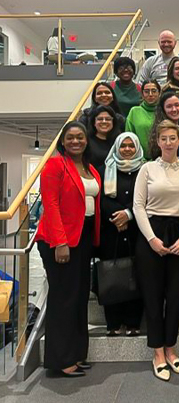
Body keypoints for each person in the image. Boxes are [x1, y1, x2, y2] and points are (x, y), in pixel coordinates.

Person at [133, 120, 179, 382]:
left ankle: (171, 348)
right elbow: (139, 206)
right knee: (152, 296)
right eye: (164, 138)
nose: (169, 143)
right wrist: (151, 239)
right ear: (157, 141)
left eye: (174, 138)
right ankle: (157, 352)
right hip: (152, 233)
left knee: (175, 297)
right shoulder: (147, 169)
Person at [35, 121, 101, 377]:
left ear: (86, 141)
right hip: (58, 239)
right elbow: (50, 205)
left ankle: (76, 353)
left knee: (79, 296)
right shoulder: (55, 165)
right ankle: (60, 359)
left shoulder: (89, 168)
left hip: (82, 237)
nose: (76, 141)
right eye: (71, 138)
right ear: (63, 141)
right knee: (64, 298)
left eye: (80, 137)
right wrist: (60, 242)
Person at [97, 132, 145, 337]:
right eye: (123, 146)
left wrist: (128, 214)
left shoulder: (146, 170)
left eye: (131, 146)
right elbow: (101, 198)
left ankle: (134, 321)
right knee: (112, 275)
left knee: (136, 275)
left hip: (138, 230)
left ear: (137, 148)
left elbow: (147, 197)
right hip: (111, 231)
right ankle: (113, 323)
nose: (126, 150)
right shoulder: (103, 170)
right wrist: (117, 216)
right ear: (116, 148)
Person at [149, 92, 179, 163]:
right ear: (163, 110)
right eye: (169, 106)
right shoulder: (160, 133)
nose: (174, 109)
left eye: (177, 105)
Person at [125, 79, 161, 160]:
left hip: (162, 160)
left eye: (154, 91)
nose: (150, 94)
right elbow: (129, 137)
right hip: (139, 160)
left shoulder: (164, 111)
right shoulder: (134, 111)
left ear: (159, 93)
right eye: (147, 91)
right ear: (142, 94)